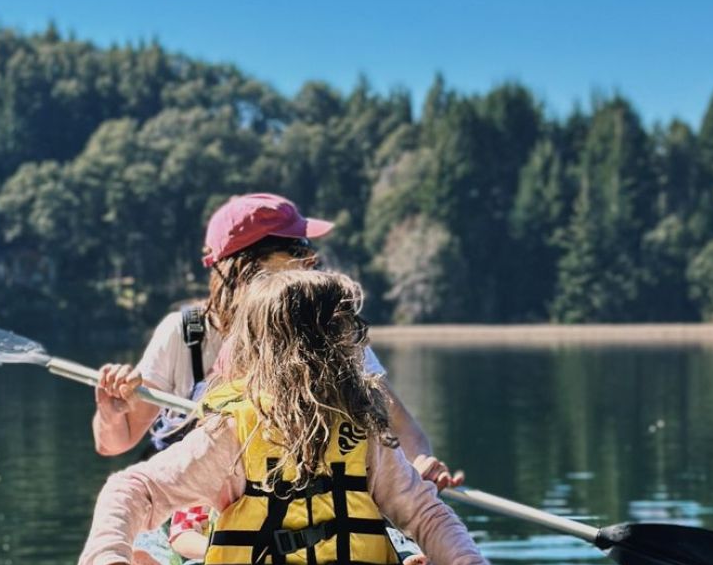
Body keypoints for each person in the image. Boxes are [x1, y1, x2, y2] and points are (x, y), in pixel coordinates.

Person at [77, 269, 497, 565]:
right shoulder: (232, 432)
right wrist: (111, 558)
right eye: (345, 335)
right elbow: (134, 489)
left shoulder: (363, 433)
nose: (355, 348)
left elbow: (426, 515)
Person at [92, 192, 464, 490]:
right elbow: (114, 443)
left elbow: (403, 430)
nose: (312, 259)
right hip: (193, 515)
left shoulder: (333, 330)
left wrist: (420, 466)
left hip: (290, 510)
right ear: (247, 266)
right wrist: (111, 415)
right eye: (297, 249)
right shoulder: (185, 335)